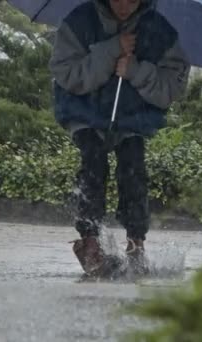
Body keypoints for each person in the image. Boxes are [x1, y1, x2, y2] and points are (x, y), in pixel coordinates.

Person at [49, 0, 190, 276]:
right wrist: (111, 50)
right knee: (93, 164)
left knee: (133, 169)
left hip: (133, 117)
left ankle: (136, 244)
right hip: (85, 113)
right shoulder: (79, 22)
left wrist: (136, 71)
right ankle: (90, 240)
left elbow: (172, 86)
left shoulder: (159, 30)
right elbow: (66, 73)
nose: (124, 5)